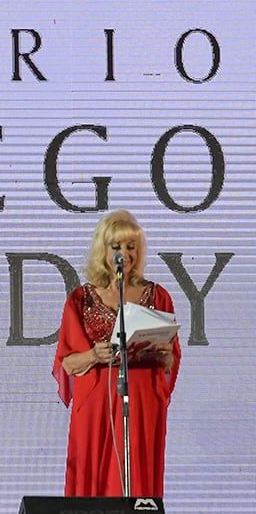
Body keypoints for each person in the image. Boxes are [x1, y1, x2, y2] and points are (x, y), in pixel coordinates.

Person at [53, 210, 179, 497]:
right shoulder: (80, 299)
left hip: (141, 399)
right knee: (93, 478)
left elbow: (171, 360)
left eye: (131, 246)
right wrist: (94, 355)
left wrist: (163, 354)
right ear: (104, 250)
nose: (125, 253)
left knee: (136, 477)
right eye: (116, 246)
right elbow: (67, 364)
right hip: (95, 401)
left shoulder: (158, 295)